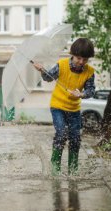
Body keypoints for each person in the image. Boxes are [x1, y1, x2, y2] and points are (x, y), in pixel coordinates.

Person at [33, 38, 95, 175]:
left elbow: (91, 91)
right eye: (79, 58)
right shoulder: (61, 65)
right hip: (58, 107)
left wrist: (82, 94)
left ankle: (73, 170)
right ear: (72, 54)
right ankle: (55, 170)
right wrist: (42, 70)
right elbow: (48, 78)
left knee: (75, 138)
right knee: (61, 134)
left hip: (74, 109)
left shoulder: (89, 72)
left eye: (85, 60)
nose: (81, 62)